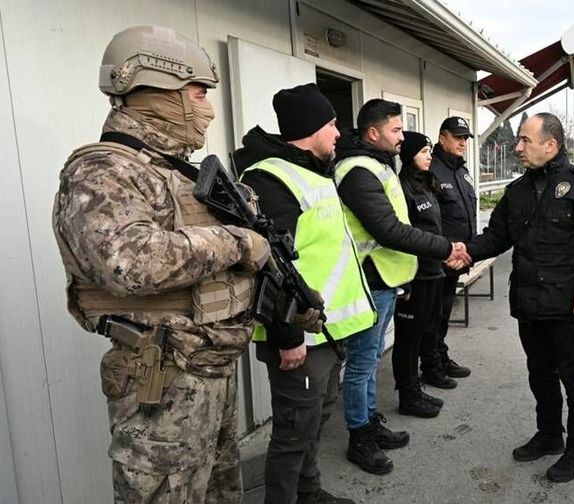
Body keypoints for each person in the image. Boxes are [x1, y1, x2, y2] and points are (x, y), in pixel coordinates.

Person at [52, 25, 271, 502]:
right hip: (162, 374)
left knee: (218, 489)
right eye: (199, 91)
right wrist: (236, 241)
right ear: (156, 88)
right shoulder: (104, 169)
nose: (207, 106)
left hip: (209, 363)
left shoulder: (177, 171)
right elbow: (126, 263)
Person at [234, 84, 375, 504]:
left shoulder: (314, 171)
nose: (338, 133)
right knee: (294, 433)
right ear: (310, 127)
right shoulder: (268, 179)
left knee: (314, 422)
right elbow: (268, 264)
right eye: (331, 124)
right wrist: (286, 335)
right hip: (300, 337)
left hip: (327, 331)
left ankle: (309, 493)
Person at [464, 113, 574, 483]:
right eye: (518, 140)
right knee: (540, 375)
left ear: (550, 145)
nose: (517, 147)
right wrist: (462, 253)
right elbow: (496, 237)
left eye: (524, 140)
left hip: (567, 306)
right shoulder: (517, 191)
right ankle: (549, 435)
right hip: (529, 303)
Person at [334, 99, 471, 474]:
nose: (401, 136)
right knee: (362, 364)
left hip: (387, 279)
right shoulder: (359, 171)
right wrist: (446, 248)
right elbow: (388, 229)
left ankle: (370, 422)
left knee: (372, 356)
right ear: (373, 133)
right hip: (370, 279)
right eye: (396, 130)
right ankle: (359, 436)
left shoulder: (378, 165)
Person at [392, 132, 447, 418]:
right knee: (408, 338)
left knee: (427, 328)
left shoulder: (425, 183)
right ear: (409, 154)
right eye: (424, 151)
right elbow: (404, 234)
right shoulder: (401, 187)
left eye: (430, 150)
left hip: (433, 269)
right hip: (415, 273)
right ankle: (407, 395)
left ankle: (417, 386)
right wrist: (405, 281)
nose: (429, 156)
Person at [423, 117, 479, 389]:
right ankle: (431, 366)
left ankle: (440, 357)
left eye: (466, 138)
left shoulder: (461, 171)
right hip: (439, 258)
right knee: (433, 315)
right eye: (457, 137)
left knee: (444, 312)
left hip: (458, 258)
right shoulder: (431, 169)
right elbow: (427, 218)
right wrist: (444, 252)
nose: (462, 142)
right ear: (442, 137)